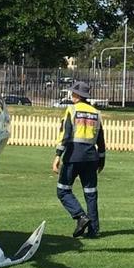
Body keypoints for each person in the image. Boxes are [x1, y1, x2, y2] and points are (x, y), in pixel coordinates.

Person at [52, 81, 106, 238]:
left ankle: (80, 216)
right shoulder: (96, 113)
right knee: (90, 193)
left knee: (63, 190)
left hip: (73, 155)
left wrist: (57, 155)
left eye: (73, 93)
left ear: (77, 95)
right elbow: (100, 140)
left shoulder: (72, 110)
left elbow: (66, 135)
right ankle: (94, 230)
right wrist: (102, 160)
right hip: (91, 158)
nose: (71, 95)